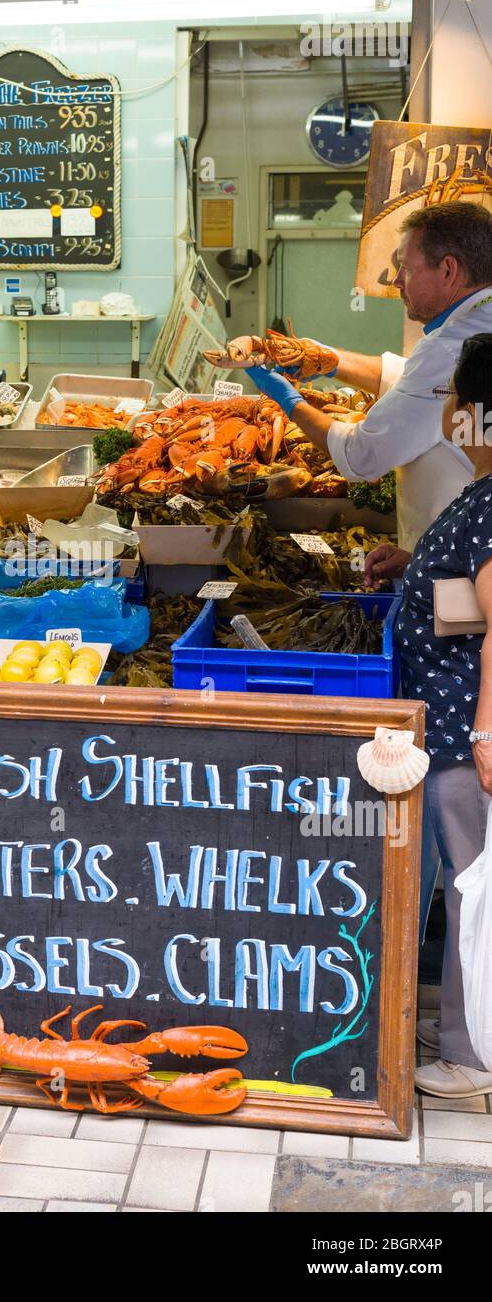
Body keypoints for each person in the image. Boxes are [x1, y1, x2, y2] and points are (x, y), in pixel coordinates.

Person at [363, 332, 492, 1098]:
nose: (446, 413)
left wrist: (484, 730)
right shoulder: (483, 492)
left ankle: (470, 1057)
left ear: (477, 413)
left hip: (458, 729)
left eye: (453, 400)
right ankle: (458, 1032)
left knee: (472, 888)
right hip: (444, 724)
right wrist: (416, 564)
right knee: (466, 884)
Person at [209, 201, 492, 548]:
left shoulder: (448, 348)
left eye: (406, 268)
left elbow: (362, 456)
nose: (397, 281)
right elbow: (411, 380)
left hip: (461, 556)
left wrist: (288, 399)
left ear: (448, 270)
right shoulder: (478, 323)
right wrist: (329, 360)